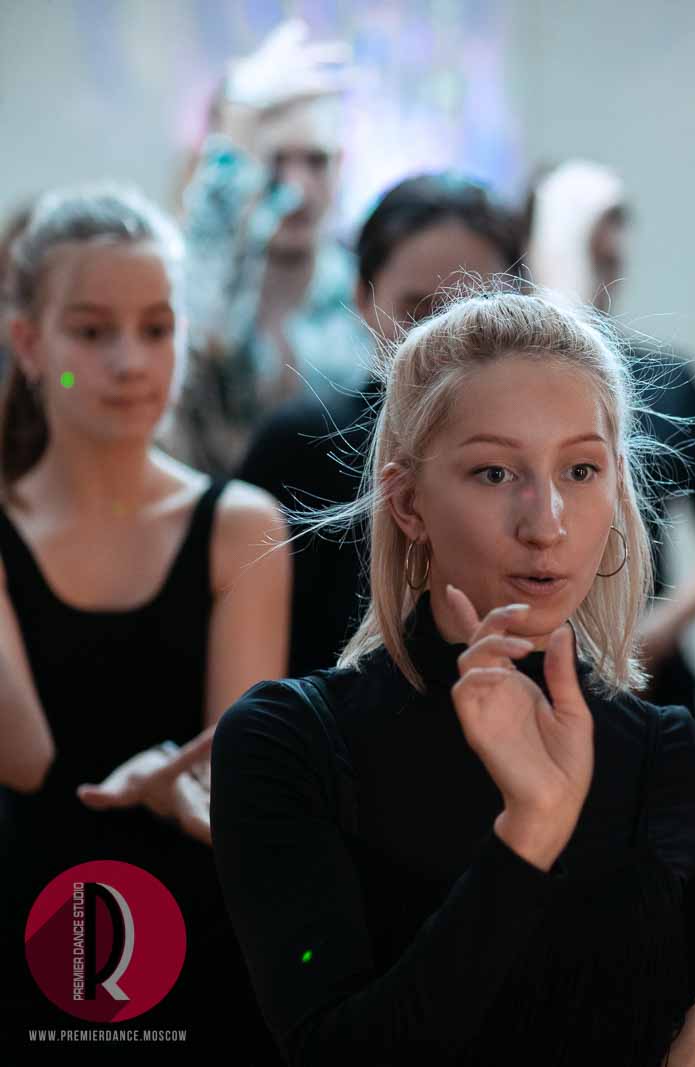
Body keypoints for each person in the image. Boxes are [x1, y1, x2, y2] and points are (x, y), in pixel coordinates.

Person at [211, 289, 695, 1065]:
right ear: (407, 501)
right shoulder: (288, 742)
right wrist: (530, 832)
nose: (546, 522)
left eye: (580, 469)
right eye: (494, 472)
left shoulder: (672, 755)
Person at [0, 185, 289, 1054]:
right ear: (29, 343)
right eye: (92, 333)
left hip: (197, 943)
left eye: (156, 329)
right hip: (30, 930)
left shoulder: (239, 526)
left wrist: (180, 780)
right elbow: (27, 760)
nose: (130, 362)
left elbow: (239, 780)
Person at [237, 172, 525, 677]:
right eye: (419, 311)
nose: (445, 341)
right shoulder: (299, 447)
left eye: (473, 310)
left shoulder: (553, 460)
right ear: (363, 300)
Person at [531, 160, 695, 727]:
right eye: (586, 253)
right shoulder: (501, 391)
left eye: (610, 260)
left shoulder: (665, 378)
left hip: (648, 678)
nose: (598, 273)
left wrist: (661, 628)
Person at [168, 18, 369, 475]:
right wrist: (236, 131)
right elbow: (197, 330)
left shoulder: (365, 294)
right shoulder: (203, 286)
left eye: (316, 161)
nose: (296, 188)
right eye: (274, 162)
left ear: (340, 166)